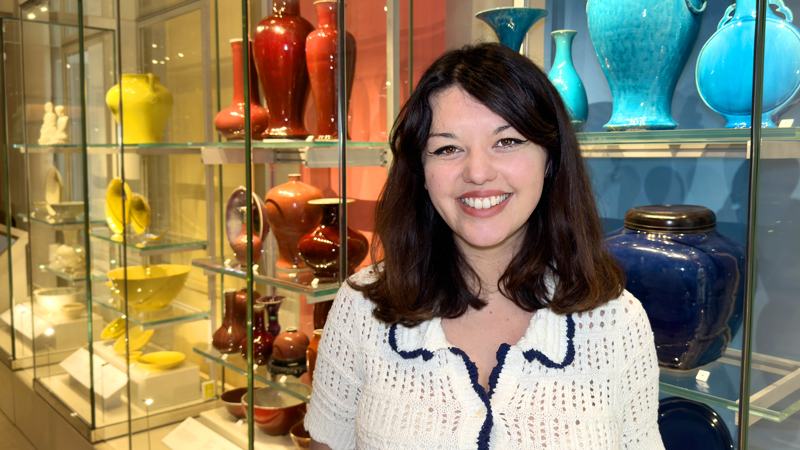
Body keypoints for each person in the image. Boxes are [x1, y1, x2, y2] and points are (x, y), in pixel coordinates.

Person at [304, 42, 663, 450]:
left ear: (550, 159)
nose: (477, 172)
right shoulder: (360, 308)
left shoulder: (617, 322)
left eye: (507, 141)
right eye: (448, 148)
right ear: (421, 171)